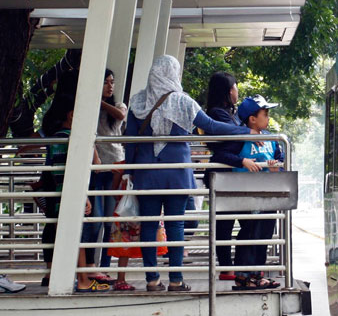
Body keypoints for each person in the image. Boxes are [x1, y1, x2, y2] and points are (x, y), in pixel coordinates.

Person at [124, 55, 255, 292]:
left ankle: (152, 279)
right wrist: (244, 131)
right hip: (177, 173)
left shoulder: (138, 101)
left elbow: (130, 141)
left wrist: (132, 170)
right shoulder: (183, 102)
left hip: (147, 173)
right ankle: (176, 280)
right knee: (176, 226)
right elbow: (212, 127)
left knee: (149, 226)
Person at [40, 93, 110, 292]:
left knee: (69, 234)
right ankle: (82, 280)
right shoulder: (72, 139)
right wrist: (83, 196)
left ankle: (75, 278)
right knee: (78, 235)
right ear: (72, 115)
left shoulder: (56, 138)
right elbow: (85, 168)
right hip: (70, 193)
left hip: (58, 195)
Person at [231, 95, 283, 290]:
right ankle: (243, 275)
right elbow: (224, 155)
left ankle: (257, 274)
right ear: (252, 119)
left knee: (264, 234)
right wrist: (242, 162)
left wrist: (276, 168)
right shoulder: (239, 138)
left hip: (267, 195)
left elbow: (280, 160)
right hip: (245, 195)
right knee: (248, 233)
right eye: (265, 113)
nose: (268, 117)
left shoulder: (272, 140)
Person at [91, 70, 133, 289]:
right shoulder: (90, 108)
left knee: (110, 218)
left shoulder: (119, 106)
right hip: (98, 167)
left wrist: (98, 101)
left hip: (116, 164)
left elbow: (120, 116)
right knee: (96, 219)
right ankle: (94, 266)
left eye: (112, 82)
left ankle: (105, 266)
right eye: (105, 82)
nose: (110, 86)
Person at [203, 71, 243, 280]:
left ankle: (235, 265)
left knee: (237, 220)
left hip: (231, 174)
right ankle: (226, 267)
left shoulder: (229, 112)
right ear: (228, 91)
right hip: (223, 174)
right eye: (235, 87)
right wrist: (247, 135)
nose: (237, 91)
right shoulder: (218, 113)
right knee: (225, 224)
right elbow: (232, 139)